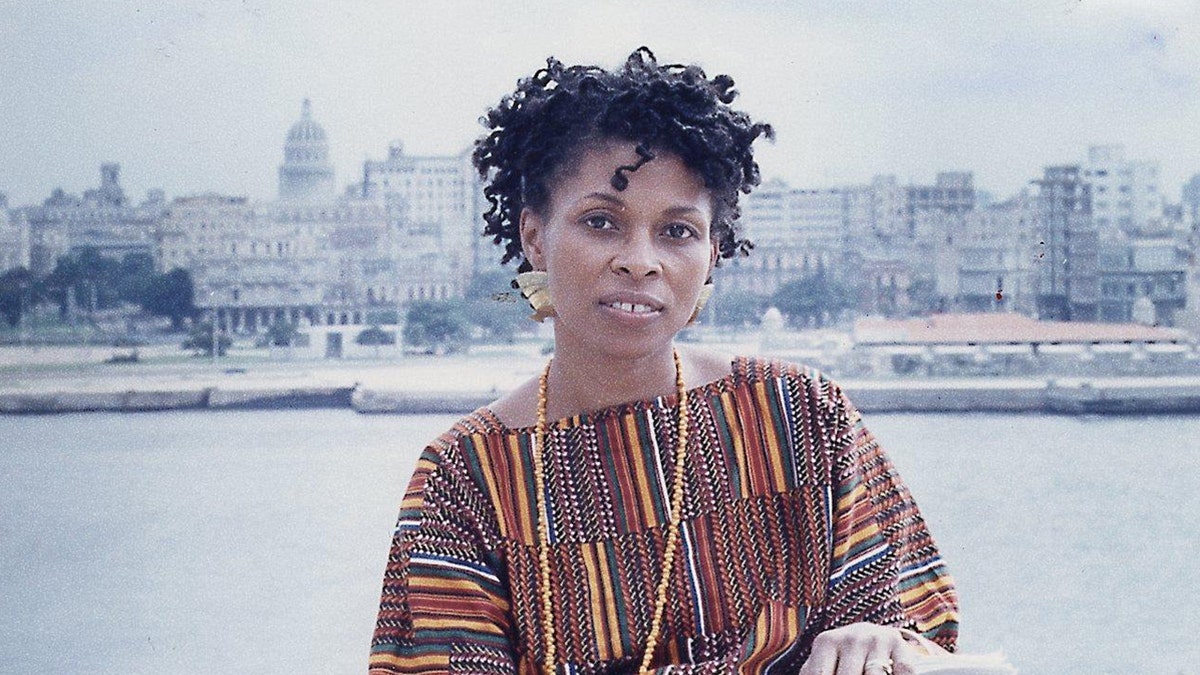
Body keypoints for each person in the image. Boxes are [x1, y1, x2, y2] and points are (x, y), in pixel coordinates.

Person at [369, 47, 958, 675]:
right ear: (535, 237)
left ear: (713, 252)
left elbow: (919, 626)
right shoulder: (470, 476)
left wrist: (878, 640)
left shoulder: (800, 417)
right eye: (601, 222)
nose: (640, 261)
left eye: (678, 231)